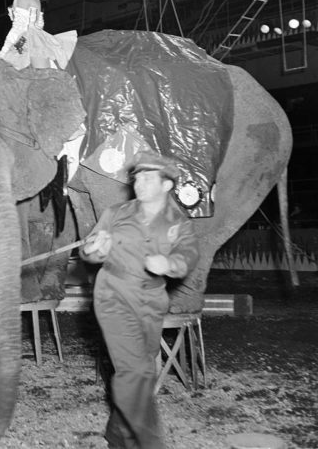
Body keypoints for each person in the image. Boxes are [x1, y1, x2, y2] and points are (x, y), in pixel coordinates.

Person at [79, 150, 199, 449]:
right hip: (113, 293)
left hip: (151, 299)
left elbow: (188, 255)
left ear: (167, 185)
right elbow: (88, 253)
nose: (139, 182)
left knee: (142, 368)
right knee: (134, 372)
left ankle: (119, 435)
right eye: (137, 177)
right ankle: (149, 443)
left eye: (147, 177)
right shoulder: (116, 213)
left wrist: (170, 265)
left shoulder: (178, 222)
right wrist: (96, 250)